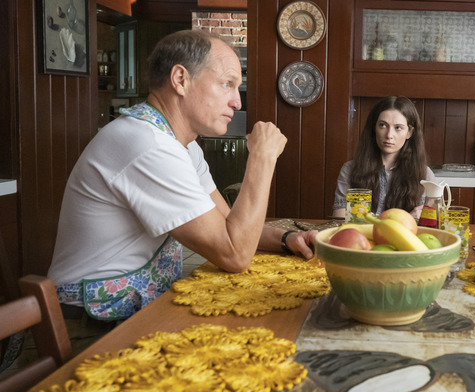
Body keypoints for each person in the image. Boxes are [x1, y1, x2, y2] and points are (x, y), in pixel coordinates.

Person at [48, 30, 317, 320]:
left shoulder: (181, 145)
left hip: (139, 308)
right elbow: (234, 253)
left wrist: (287, 238)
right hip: (90, 321)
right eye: (226, 84)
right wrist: (262, 158)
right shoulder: (148, 145)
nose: (237, 103)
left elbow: (227, 224)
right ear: (180, 80)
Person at [332, 96, 435, 219]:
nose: (389, 135)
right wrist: (405, 218)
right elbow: (339, 217)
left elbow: (430, 220)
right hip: (360, 237)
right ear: (374, 128)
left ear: (409, 132)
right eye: (382, 125)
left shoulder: (424, 174)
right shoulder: (350, 169)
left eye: (398, 128)